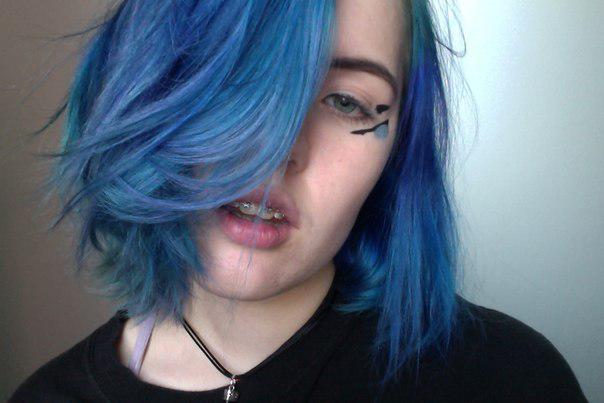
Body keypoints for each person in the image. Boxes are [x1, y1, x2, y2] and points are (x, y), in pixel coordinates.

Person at [10, 0, 587, 402]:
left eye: (346, 101)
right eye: (239, 79)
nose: (276, 150)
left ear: (397, 153)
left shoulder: (510, 381)